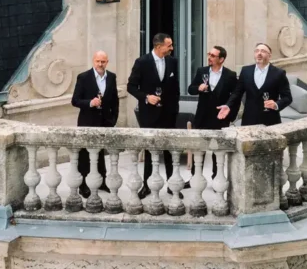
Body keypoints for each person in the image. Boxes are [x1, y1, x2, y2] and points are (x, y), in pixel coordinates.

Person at [127, 33, 181, 198]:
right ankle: (147, 186)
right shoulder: (142, 62)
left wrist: (174, 107)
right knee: (150, 151)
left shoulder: (172, 61)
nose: (172, 48)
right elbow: (131, 86)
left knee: (169, 150)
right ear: (159, 47)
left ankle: (173, 186)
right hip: (149, 114)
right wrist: (146, 97)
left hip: (168, 113)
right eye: (169, 45)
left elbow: (175, 86)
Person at [70, 50, 119, 199]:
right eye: (98, 61)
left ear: (107, 62)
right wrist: (90, 103)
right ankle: (83, 185)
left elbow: (115, 101)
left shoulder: (111, 77)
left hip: (104, 123)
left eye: (103, 61)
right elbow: (75, 100)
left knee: (100, 153)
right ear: (93, 61)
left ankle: (102, 181)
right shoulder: (83, 77)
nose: (100, 64)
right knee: (85, 154)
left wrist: (113, 120)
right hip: (87, 122)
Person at [188, 45, 238, 178]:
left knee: (218, 150)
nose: (209, 57)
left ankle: (217, 177)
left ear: (221, 59)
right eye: (209, 54)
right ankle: (195, 176)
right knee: (199, 148)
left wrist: (230, 115)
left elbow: (236, 96)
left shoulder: (230, 75)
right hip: (202, 116)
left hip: (220, 117)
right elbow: (190, 89)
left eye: (213, 56)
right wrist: (198, 87)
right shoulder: (201, 71)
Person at [217, 42, 292, 127]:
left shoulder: (279, 73)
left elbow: (287, 97)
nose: (259, 53)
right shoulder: (246, 71)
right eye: (257, 51)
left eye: (263, 51)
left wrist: (276, 104)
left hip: (270, 120)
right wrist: (228, 105)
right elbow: (237, 93)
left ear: (269, 55)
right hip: (249, 119)